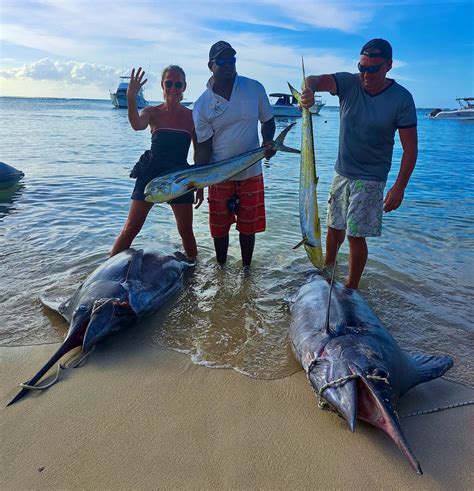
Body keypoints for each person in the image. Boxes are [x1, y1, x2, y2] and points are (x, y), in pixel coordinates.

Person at [301, 38, 418, 289]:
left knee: (355, 236)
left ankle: (351, 288)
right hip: (342, 173)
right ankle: (327, 272)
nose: (366, 74)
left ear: (388, 65)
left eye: (373, 68)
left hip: (371, 177)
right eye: (362, 67)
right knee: (333, 228)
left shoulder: (402, 98)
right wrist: (309, 90)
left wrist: (399, 187)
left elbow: (410, 149)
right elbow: (312, 79)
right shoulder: (347, 82)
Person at [193, 41, 276, 268]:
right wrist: (199, 182)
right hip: (219, 175)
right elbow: (203, 147)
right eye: (222, 61)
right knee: (219, 229)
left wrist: (268, 142)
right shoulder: (202, 105)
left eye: (232, 60)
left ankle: (247, 271)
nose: (228, 65)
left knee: (249, 228)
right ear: (211, 66)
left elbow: (267, 121)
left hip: (251, 171)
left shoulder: (254, 88)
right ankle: (221, 270)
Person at [110, 65, 201, 258]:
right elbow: (137, 125)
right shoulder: (152, 112)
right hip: (151, 173)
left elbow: (198, 153)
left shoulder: (192, 117)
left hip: (180, 176)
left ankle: (193, 276)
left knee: (186, 232)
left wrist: (200, 185)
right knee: (131, 228)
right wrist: (131, 97)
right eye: (169, 83)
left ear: (184, 86)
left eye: (178, 84)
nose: (173, 88)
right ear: (163, 85)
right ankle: (102, 277)